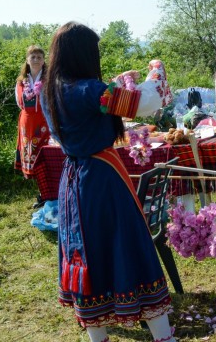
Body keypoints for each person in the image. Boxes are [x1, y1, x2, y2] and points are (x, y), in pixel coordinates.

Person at [41, 22, 177, 342]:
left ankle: (97, 337)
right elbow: (144, 103)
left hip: (74, 181)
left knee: (88, 253)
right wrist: (156, 71)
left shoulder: (50, 90)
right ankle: (163, 337)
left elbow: (102, 105)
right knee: (129, 246)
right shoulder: (88, 90)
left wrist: (115, 85)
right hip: (103, 179)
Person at [14, 45, 50, 207]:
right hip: (27, 123)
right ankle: (43, 193)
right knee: (32, 158)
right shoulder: (21, 82)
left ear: (43, 61)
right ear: (27, 61)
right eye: (32, 57)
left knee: (46, 158)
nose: (35, 60)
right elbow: (19, 103)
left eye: (39, 57)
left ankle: (49, 193)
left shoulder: (49, 79)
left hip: (45, 122)